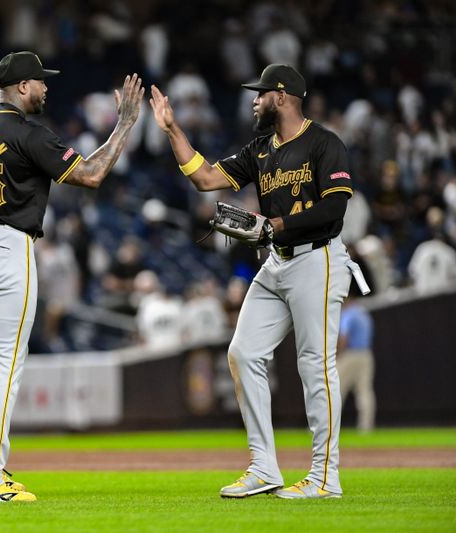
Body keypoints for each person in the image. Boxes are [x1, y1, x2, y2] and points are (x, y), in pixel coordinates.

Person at [0, 51, 143, 503]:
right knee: (6, 365)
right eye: (41, 82)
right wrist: (124, 123)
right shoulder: (28, 133)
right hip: (7, 246)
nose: (46, 88)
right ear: (22, 87)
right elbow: (92, 173)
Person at [151, 64, 365, 499]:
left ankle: (325, 476)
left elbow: (334, 211)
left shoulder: (324, 143)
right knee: (243, 352)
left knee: (315, 367)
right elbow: (206, 179)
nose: (254, 99)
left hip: (318, 258)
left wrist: (274, 225)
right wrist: (173, 131)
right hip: (277, 262)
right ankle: (264, 466)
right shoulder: (260, 150)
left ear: (282, 96)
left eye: (261, 93)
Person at [337, 281, 375, 433]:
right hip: (365, 354)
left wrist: (337, 355)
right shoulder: (363, 312)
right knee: (364, 391)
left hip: (350, 355)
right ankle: (366, 427)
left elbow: (344, 337)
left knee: (336, 391)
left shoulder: (349, 313)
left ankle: (327, 427)